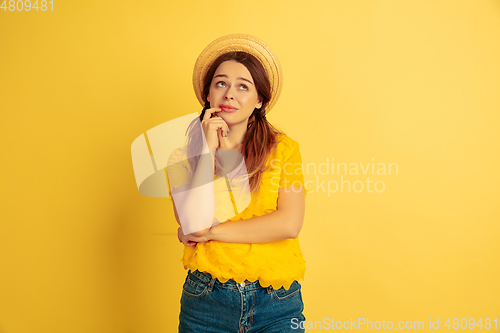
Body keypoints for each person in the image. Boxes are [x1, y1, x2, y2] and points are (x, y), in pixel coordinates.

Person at [167, 34, 307, 333]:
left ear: (259, 101)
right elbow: (194, 222)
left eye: (243, 86)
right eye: (221, 83)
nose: (230, 94)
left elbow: (289, 224)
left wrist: (208, 233)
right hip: (206, 301)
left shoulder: (283, 150)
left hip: (277, 301)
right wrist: (205, 150)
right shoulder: (181, 160)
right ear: (208, 95)